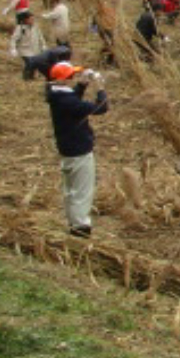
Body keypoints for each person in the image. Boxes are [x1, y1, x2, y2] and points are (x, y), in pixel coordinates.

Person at [46, 62, 108, 237]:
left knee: (71, 191)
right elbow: (101, 107)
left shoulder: (56, 96)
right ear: (65, 80)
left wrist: (82, 84)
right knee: (82, 192)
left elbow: (73, 99)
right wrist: (100, 87)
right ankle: (81, 229)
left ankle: (74, 223)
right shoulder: (68, 102)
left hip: (67, 149)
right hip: (79, 151)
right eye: (72, 75)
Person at [9, 10, 49, 79]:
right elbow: (14, 39)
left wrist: (43, 45)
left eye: (33, 19)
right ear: (25, 20)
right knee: (30, 63)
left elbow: (40, 36)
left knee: (34, 64)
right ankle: (26, 77)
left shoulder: (35, 26)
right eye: (30, 19)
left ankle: (30, 77)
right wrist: (13, 49)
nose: (32, 20)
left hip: (35, 49)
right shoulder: (20, 28)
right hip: (25, 50)